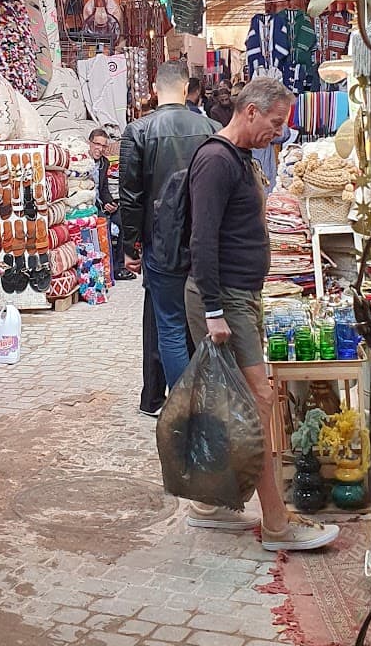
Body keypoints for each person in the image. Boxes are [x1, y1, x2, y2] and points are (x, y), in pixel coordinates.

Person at [185, 76, 339, 552]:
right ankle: (276, 522)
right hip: (223, 300)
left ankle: (210, 504)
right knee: (258, 404)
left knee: (228, 404)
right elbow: (202, 241)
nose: (279, 131)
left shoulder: (239, 158)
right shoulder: (216, 160)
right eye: (275, 122)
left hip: (239, 296)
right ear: (250, 111)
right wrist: (214, 311)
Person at [119, 60, 216, 415]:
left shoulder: (138, 131)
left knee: (168, 322)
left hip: (159, 241)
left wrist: (129, 246)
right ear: (188, 87)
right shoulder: (211, 127)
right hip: (204, 240)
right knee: (201, 320)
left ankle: (177, 403)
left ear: (155, 88)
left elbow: (130, 196)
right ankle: (200, 398)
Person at [89, 127, 132, 282]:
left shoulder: (104, 163)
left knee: (123, 220)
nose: (99, 149)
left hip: (101, 204)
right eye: (97, 144)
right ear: (90, 143)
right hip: (90, 205)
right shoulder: (82, 163)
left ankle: (119, 267)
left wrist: (110, 202)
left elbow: (104, 188)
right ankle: (105, 269)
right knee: (104, 224)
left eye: (103, 146)